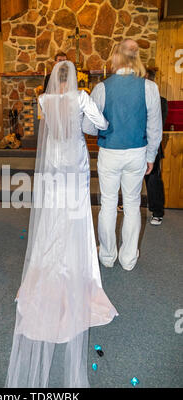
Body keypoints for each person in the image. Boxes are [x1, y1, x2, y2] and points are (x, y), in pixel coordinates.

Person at [6, 61, 118, 388]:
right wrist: (86, 121)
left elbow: (50, 129)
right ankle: (77, 269)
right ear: (75, 80)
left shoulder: (43, 100)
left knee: (53, 215)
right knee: (77, 216)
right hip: (75, 163)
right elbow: (99, 126)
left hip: (54, 162)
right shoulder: (81, 97)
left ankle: (47, 267)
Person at [83, 39, 162, 271]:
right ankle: (128, 259)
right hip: (137, 153)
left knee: (107, 204)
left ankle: (107, 256)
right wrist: (151, 156)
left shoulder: (102, 88)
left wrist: (105, 125)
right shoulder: (149, 87)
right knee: (132, 204)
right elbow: (154, 128)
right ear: (136, 57)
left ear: (116, 57)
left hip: (110, 152)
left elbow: (88, 127)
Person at [144, 68, 168, 226]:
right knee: (129, 177)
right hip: (135, 143)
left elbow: (159, 124)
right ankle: (127, 204)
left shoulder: (161, 100)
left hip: (152, 144)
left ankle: (157, 211)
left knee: (153, 180)